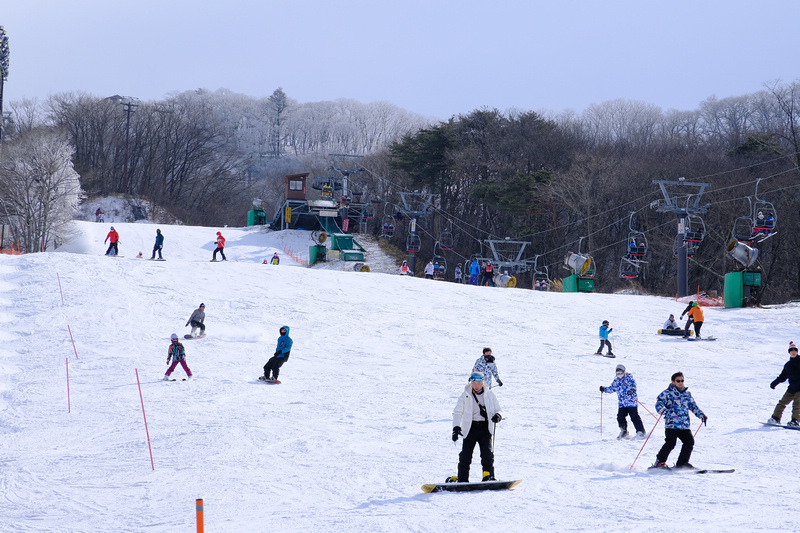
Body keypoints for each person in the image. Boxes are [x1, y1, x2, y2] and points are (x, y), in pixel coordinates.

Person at [450, 371, 503, 483]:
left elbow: (499, 410)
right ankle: (462, 480)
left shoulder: (489, 395)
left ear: (483, 382)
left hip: (485, 428)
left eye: (478, 383)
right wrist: (456, 428)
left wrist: (498, 416)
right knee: (465, 456)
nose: (476, 385)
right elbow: (457, 412)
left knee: (487, 455)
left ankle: (488, 477)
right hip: (470, 428)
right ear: (471, 382)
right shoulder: (465, 395)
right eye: (473, 383)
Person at [653, 372, 707, 469]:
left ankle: (682, 463)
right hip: (672, 424)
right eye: (678, 381)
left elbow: (693, 406)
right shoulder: (667, 393)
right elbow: (658, 405)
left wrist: (701, 415)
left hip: (684, 424)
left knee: (689, 442)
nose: (681, 383)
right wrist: (666, 412)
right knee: (670, 443)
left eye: (682, 380)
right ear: (673, 382)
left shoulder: (687, 394)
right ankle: (659, 462)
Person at [600, 364, 646, 439]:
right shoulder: (616, 380)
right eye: (617, 373)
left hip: (631, 402)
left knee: (634, 417)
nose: (619, 375)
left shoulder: (629, 378)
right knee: (620, 417)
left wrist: (632, 390)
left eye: (620, 372)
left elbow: (633, 386)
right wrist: (604, 389)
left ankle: (640, 431)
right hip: (622, 403)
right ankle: (624, 431)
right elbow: (612, 389)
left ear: (624, 372)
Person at [767, 341, 800, 426]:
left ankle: (795, 421)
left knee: (797, 404)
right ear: (789, 352)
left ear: (797, 351)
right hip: (792, 388)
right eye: (791, 350)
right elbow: (783, 376)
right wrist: (775, 383)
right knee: (782, 403)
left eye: (795, 350)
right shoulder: (787, 365)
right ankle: (775, 418)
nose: (793, 352)